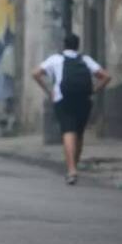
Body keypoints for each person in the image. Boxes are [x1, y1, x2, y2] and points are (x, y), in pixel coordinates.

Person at [32, 34, 111, 185]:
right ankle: (74, 165)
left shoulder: (55, 59)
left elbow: (35, 73)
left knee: (68, 131)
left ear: (64, 45)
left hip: (63, 99)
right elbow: (106, 76)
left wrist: (49, 91)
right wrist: (93, 90)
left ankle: (72, 170)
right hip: (83, 100)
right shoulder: (85, 60)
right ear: (77, 46)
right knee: (79, 133)